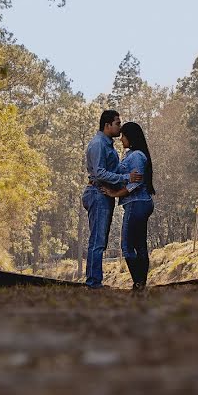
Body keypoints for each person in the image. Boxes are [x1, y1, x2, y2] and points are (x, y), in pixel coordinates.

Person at [82, 110, 142, 289]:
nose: (120, 126)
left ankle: (94, 281)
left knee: (100, 240)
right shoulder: (99, 143)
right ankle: (93, 283)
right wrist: (126, 178)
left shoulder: (107, 144)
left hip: (103, 194)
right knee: (97, 241)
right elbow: (99, 172)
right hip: (97, 192)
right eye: (117, 123)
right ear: (107, 125)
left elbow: (113, 170)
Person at [99, 121, 155, 290]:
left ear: (131, 137)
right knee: (139, 245)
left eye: (123, 136)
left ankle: (138, 282)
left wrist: (114, 194)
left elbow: (134, 183)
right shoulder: (132, 154)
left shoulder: (136, 155)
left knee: (127, 247)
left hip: (136, 203)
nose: (121, 139)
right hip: (139, 204)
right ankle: (141, 284)